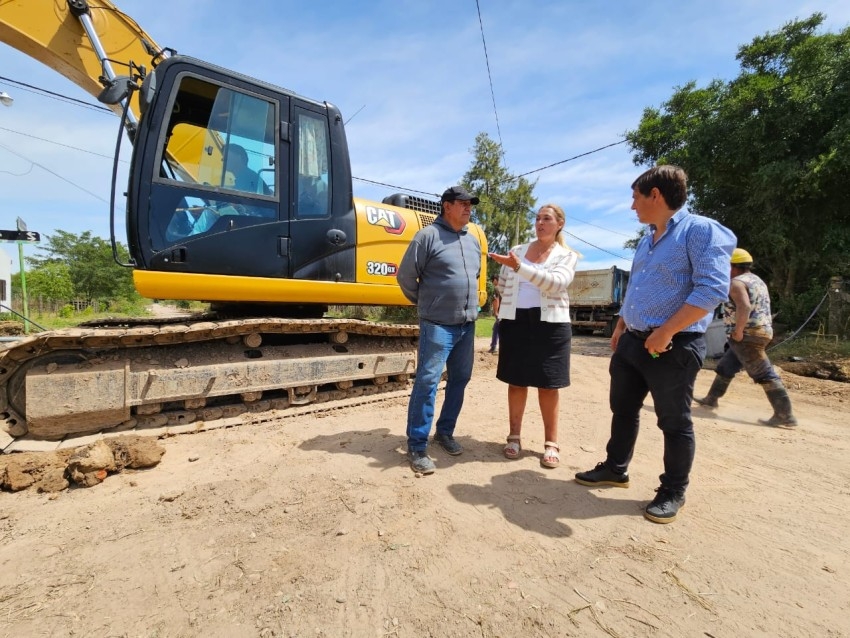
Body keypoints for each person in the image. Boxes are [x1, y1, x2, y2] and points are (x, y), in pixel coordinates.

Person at [574, 165, 736, 524]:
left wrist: (666, 332)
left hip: (673, 346)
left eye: (635, 198)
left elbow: (711, 290)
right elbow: (637, 289)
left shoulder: (701, 231)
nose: (633, 206)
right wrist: (620, 325)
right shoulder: (648, 239)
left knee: (674, 422)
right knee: (624, 409)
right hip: (633, 341)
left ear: (656, 196)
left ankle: (673, 490)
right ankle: (616, 468)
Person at [397, 186, 483, 474]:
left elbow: (475, 276)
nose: (469, 207)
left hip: (466, 325)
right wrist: (426, 303)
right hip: (437, 325)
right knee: (428, 382)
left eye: (471, 203)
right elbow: (406, 276)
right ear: (447, 206)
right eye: (463, 203)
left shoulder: (472, 242)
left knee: (460, 379)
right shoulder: (427, 237)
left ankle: (445, 432)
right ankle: (417, 446)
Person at [488, 204, 579, 469]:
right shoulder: (517, 252)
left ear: (559, 224)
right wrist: (503, 308)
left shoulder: (566, 256)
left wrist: (520, 268)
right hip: (517, 322)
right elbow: (503, 286)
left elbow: (555, 283)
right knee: (516, 381)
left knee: (549, 384)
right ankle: (514, 436)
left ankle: (551, 443)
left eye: (546, 219)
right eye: (538, 218)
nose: (540, 223)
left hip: (551, 324)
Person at [695, 248, 797, 427]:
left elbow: (744, 306)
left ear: (732, 267)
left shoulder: (736, 283)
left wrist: (739, 330)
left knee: (763, 372)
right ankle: (711, 399)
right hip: (760, 331)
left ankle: (784, 414)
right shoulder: (757, 281)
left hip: (747, 334)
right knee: (727, 366)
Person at [488, 275, 501, 354]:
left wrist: (496, 312)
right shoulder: (504, 287)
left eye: (493, 280)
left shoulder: (496, 288)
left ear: (496, 280)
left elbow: (496, 300)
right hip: (505, 312)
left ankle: (494, 346)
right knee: (496, 328)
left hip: (500, 312)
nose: (492, 282)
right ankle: (493, 346)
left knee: (496, 329)